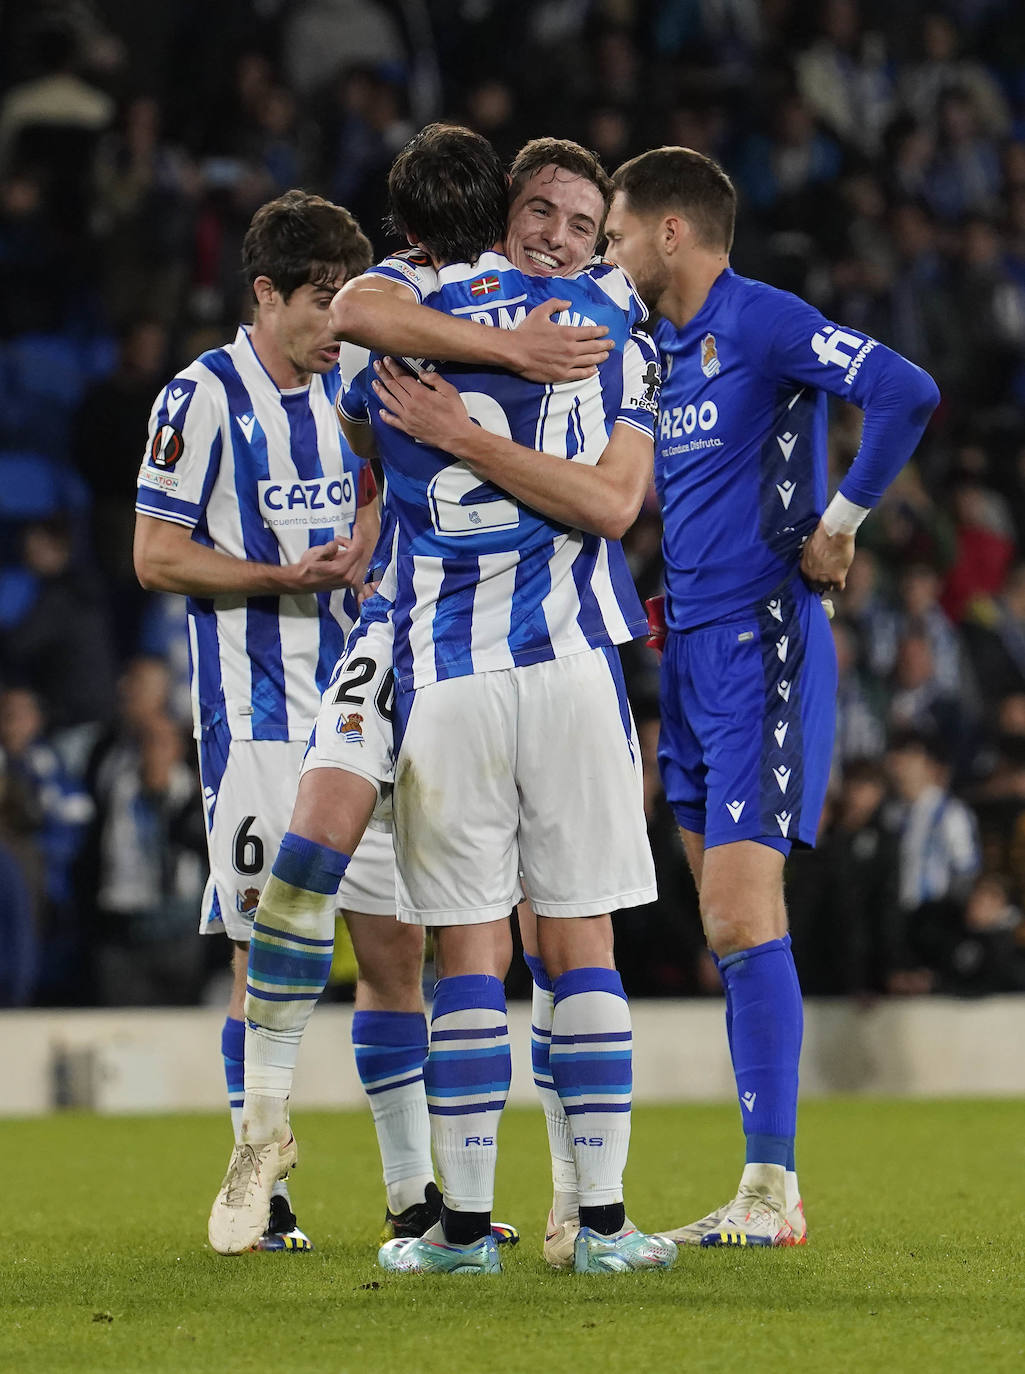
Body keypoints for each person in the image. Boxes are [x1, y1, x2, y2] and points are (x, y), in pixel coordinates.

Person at [208, 124, 676, 1277]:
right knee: (522, 927)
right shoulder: (592, 319)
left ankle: (514, 1218)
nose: (563, 238)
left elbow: (357, 320)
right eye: (545, 216)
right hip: (460, 642)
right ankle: (280, 1133)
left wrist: (464, 419)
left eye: (581, 222)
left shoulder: (411, 322)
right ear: (498, 214)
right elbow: (612, 498)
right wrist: (508, 355)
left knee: (488, 941)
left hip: (461, 653)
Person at [591, 146, 939, 1245]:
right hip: (687, 656)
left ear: (671, 233)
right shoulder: (652, 350)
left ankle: (770, 1185)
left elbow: (902, 390)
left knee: (744, 912)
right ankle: (763, 1187)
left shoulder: (760, 320)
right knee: (722, 925)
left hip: (763, 645)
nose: (607, 251)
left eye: (614, 232)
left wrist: (839, 524)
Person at [134, 189, 398, 1252]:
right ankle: (268, 1182)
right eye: (321, 300)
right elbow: (155, 556)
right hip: (249, 708)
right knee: (259, 943)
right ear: (265, 294)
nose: (338, 321)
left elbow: (385, 493)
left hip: (358, 702)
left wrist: (366, 540)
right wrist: (278, 574)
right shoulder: (198, 397)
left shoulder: (355, 392)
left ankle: (417, 1191)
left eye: (347, 298)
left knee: (393, 943)